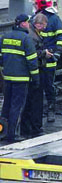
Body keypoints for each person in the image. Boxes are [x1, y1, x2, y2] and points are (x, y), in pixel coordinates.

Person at [0, 14, 39, 143]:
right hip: (21, 78)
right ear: (23, 24)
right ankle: (13, 134)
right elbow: (32, 61)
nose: (29, 24)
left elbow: (1, 57)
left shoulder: (4, 37)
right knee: (17, 106)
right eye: (28, 22)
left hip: (7, 77)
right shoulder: (26, 39)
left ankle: (2, 131)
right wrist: (35, 78)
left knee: (6, 105)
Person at [31, 0, 62, 123]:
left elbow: (61, 37)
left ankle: (51, 109)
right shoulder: (34, 18)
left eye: (35, 3)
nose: (34, 6)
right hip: (38, 60)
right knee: (37, 87)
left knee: (49, 86)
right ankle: (39, 112)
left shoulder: (54, 19)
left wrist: (57, 52)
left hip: (49, 60)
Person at [21, 13, 48, 138]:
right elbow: (32, 54)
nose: (44, 27)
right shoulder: (32, 36)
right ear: (39, 24)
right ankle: (35, 127)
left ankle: (27, 127)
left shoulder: (32, 32)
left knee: (29, 100)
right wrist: (43, 53)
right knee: (35, 100)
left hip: (30, 72)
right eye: (43, 24)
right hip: (35, 71)